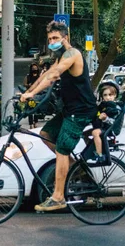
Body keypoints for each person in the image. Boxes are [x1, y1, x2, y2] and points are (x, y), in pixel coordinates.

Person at [20, 21, 97, 212]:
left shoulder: (72, 54)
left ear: (65, 38)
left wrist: (32, 94)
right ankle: (74, 167)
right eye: (50, 39)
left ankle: (58, 196)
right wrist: (27, 92)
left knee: (62, 149)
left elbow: (54, 74)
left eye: (56, 38)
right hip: (68, 110)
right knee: (46, 134)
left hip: (81, 111)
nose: (52, 41)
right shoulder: (61, 56)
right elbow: (44, 75)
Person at [88, 81, 122, 165]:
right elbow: (97, 115)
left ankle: (100, 155)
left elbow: (115, 122)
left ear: (115, 95)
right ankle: (94, 148)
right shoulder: (103, 106)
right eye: (105, 95)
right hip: (104, 127)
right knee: (86, 133)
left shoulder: (115, 108)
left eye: (110, 95)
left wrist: (106, 118)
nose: (108, 97)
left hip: (111, 129)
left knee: (95, 132)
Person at [23, 63, 41, 128]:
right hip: (30, 95)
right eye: (33, 69)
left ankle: (35, 122)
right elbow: (24, 84)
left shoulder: (39, 77)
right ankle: (31, 123)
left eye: (35, 68)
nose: (34, 70)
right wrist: (28, 85)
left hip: (37, 95)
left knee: (36, 108)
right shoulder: (28, 76)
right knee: (30, 108)